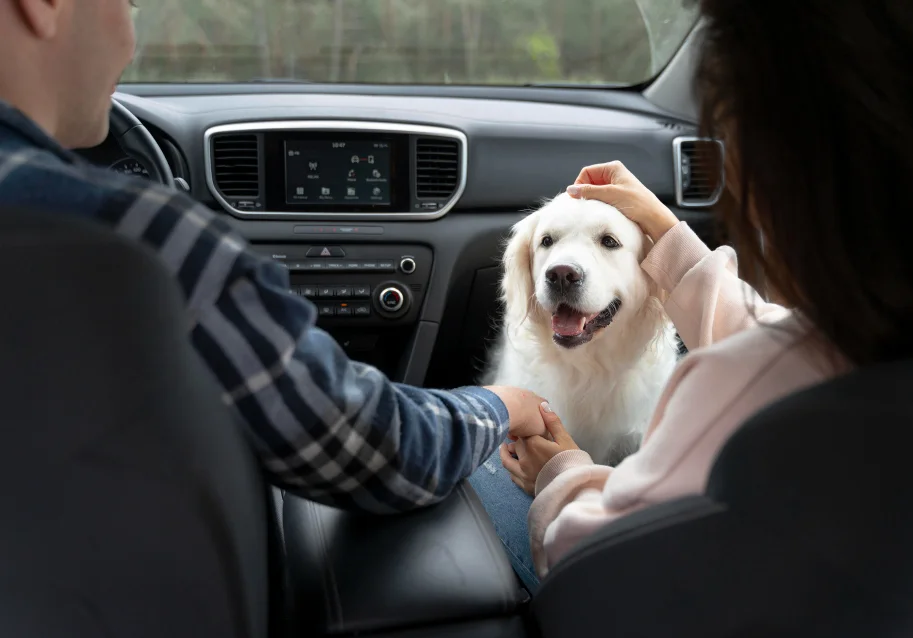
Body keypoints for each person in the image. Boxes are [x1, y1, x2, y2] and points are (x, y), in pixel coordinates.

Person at [472, 0, 913, 591]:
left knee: (482, 471)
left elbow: (603, 561)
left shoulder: (739, 386)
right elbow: (779, 336)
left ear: (777, 176)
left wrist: (562, 474)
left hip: (623, 597)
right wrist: (667, 236)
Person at [0, 0, 550, 513]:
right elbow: (383, 450)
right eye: (128, 2)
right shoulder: (131, 239)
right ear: (42, 3)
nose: (128, 39)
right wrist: (503, 405)